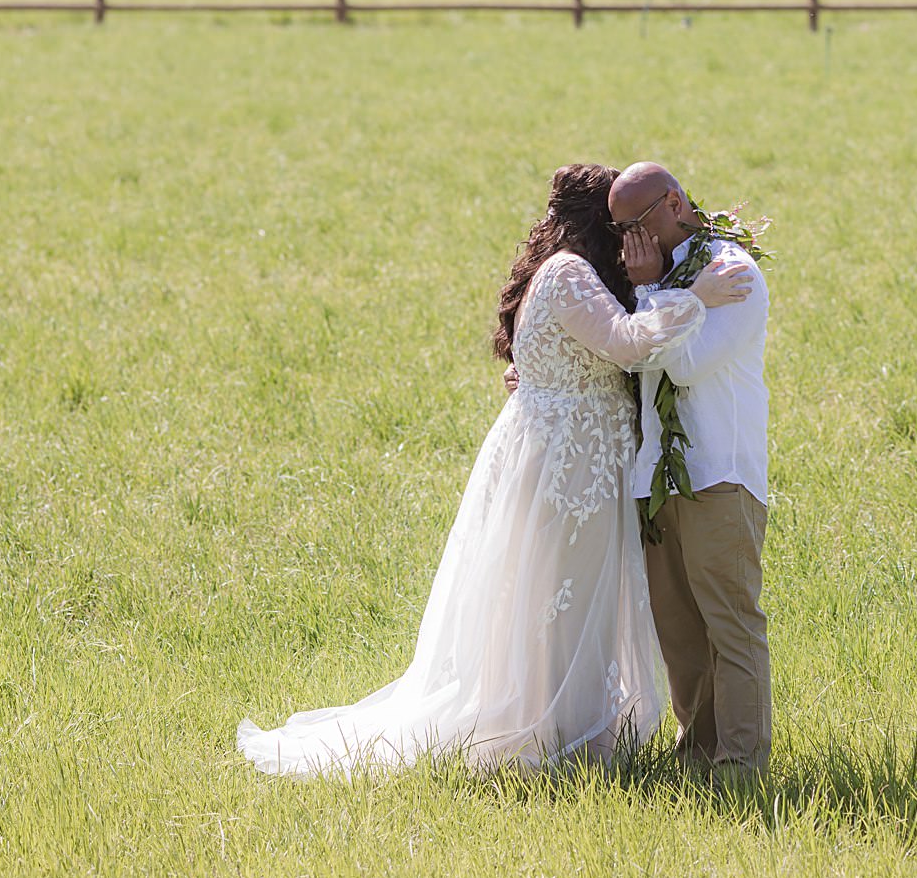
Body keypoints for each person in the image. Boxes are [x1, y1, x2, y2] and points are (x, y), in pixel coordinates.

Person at [237, 163, 749, 777]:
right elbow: (626, 344)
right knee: (562, 601)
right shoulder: (567, 273)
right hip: (570, 471)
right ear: (600, 224)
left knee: (572, 599)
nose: (631, 240)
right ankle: (555, 737)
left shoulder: (567, 273)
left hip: (574, 462)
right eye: (622, 227)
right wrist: (696, 296)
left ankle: (576, 728)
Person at [609, 162, 772, 777]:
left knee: (730, 624)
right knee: (679, 630)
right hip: (659, 477)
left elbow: (686, 366)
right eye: (619, 227)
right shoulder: (663, 275)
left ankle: (742, 761)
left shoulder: (731, 272)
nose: (631, 241)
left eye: (639, 222)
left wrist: (654, 292)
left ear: (674, 202)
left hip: (719, 473)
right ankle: (697, 756)